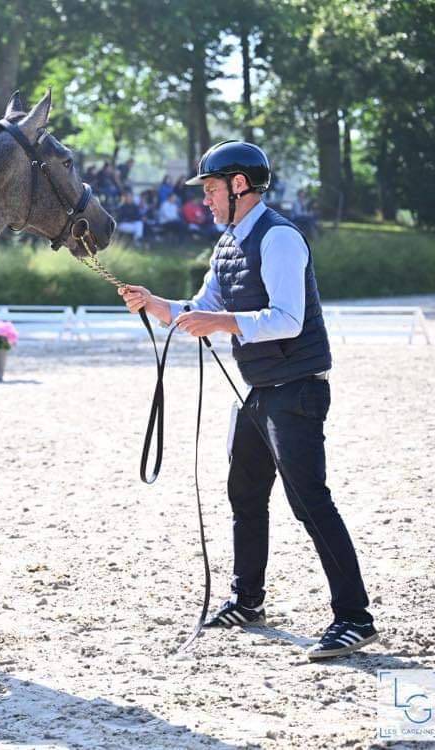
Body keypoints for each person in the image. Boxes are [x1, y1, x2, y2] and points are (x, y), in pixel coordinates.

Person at [118, 140, 377, 661]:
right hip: (259, 391)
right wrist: (154, 303)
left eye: (212, 189)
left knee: (310, 502)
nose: (205, 200)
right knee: (245, 493)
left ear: (239, 186)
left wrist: (218, 322)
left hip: (297, 389)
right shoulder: (228, 244)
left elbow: (287, 319)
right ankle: (247, 600)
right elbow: (201, 307)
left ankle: (355, 618)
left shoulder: (279, 238)